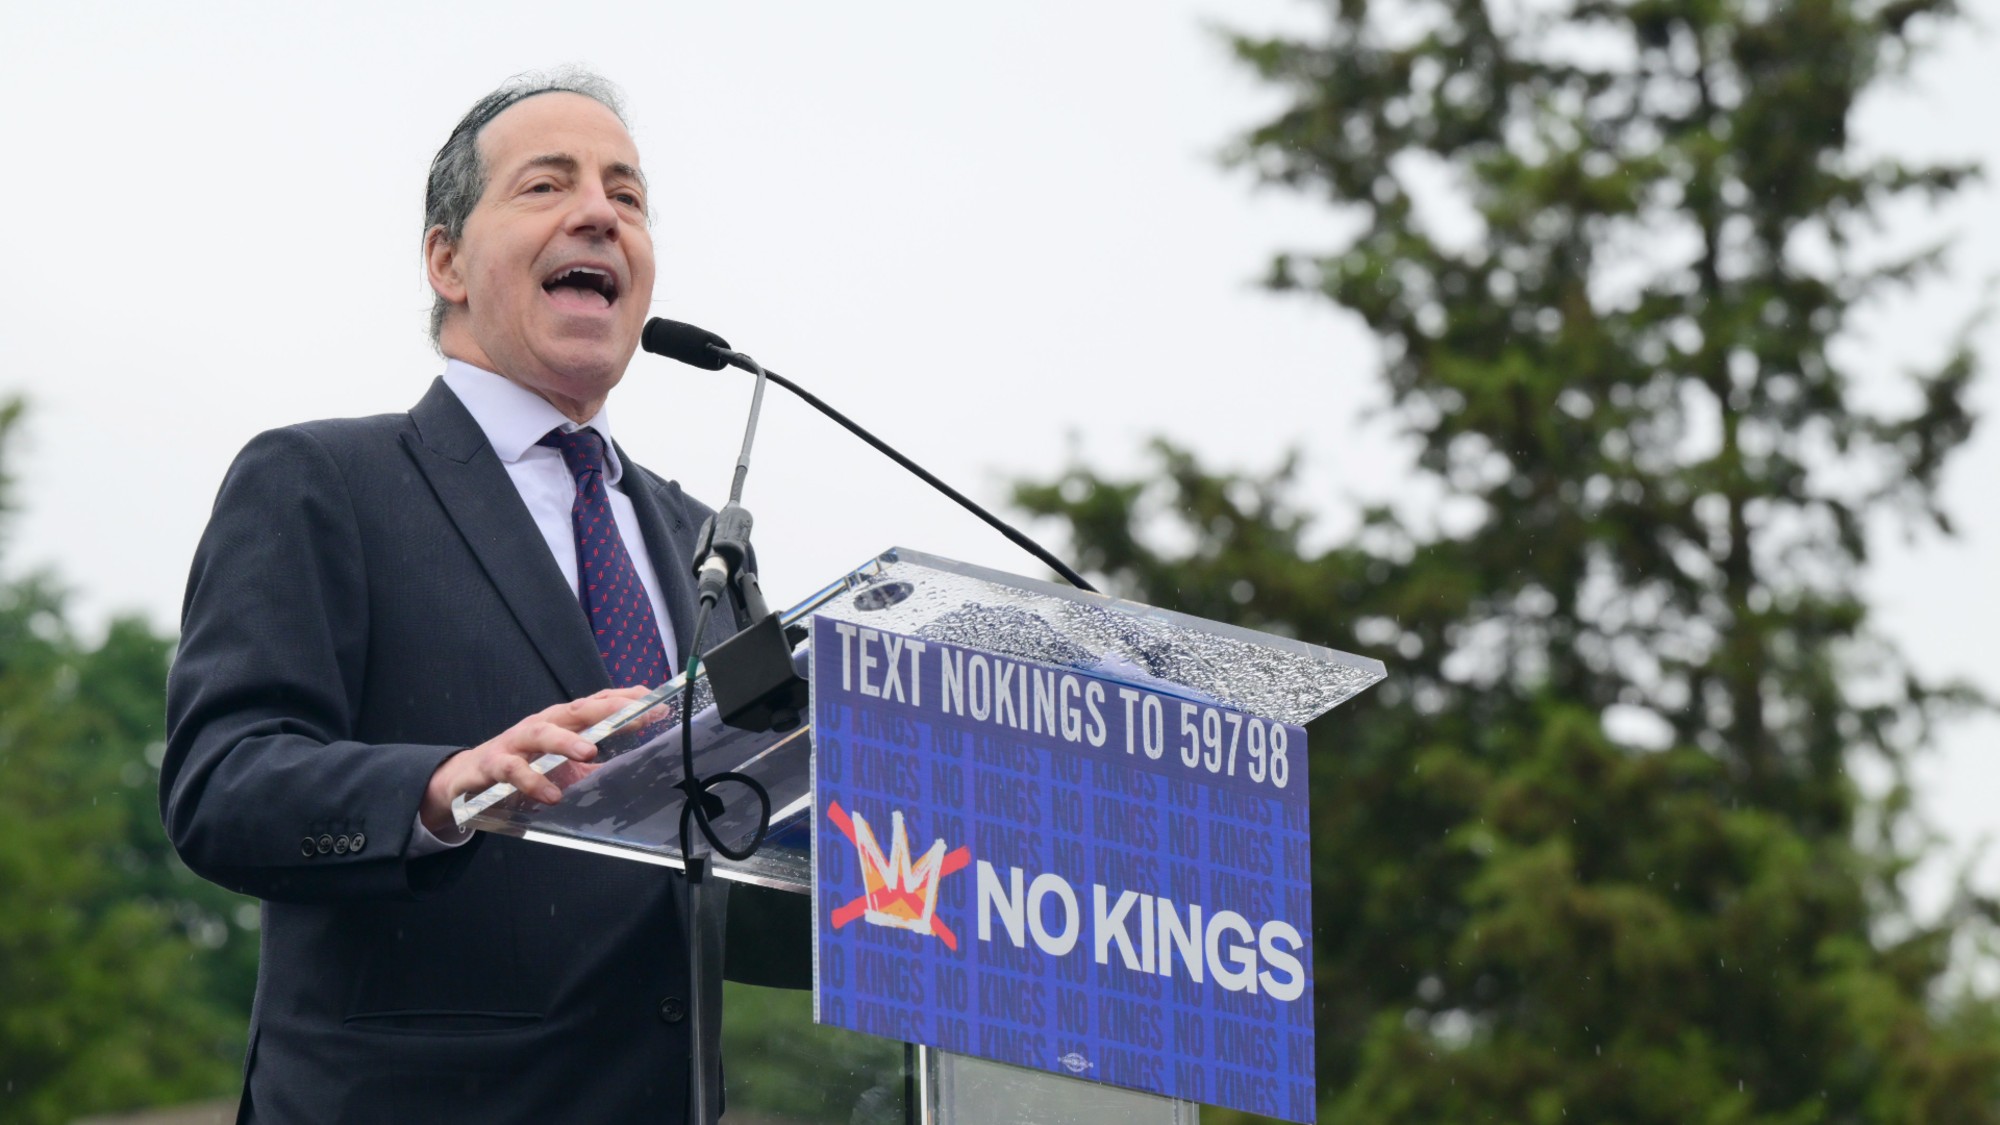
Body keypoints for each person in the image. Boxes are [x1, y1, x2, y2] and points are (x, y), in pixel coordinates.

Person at [161, 71, 803, 1124]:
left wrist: (914, 878)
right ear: (446, 260)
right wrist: (438, 792)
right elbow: (221, 788)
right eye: (548, 185)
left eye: (626, 196)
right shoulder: (322, 481)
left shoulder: (704, 541)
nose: (599, 211)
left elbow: (741, 860)